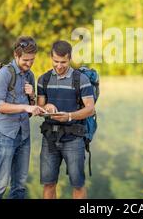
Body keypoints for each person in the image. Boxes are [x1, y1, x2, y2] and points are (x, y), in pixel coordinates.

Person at [0, 36, 46, 199]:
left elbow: (30, 108)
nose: (29, 63)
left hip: (24, 136)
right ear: (16, 55)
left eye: (32, 60)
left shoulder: (30, 76)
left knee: (19, 186)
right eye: (26, 60)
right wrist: (25, 106)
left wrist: (32, 97)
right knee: (0, 185)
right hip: (4, 135)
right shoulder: (4, 74)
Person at [37, 40, 95, 199]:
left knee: (78, 184)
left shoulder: (81, 79)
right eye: (56, 61)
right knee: (48, 183)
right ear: (51, 57)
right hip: (49, 138)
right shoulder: (43, 79)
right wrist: (46, 106)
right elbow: (39, 106)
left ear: (70, 59)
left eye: (63, 62)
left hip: (74, 139)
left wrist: (69, 116)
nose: (59, 65)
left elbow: (90, 109)